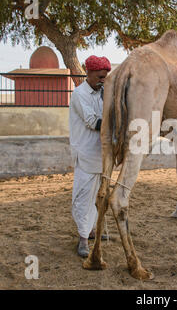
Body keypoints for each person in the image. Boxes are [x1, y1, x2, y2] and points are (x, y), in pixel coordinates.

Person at [69, 55, 111, 257]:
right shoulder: (79, 94)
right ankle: (83, 239)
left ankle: (92, 231)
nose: (103, 80)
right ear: (89, 73)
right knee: (83, 197)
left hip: (100, 154)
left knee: (97, 196)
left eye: (105, 77)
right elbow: (92, 121)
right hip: (85, 154)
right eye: (101, 76)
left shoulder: (102, 92)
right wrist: (117, 122)